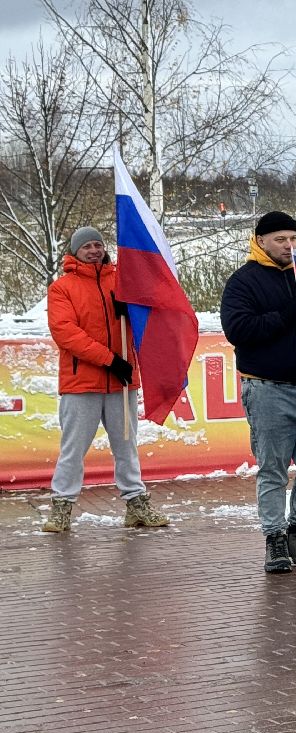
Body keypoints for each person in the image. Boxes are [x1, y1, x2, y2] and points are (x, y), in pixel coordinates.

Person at [220, 210, 296, 574]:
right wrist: (288, 314)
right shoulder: (244, 281)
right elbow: (239, 329)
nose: (289, 246)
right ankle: (275, 537)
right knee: (273, 468)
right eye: (281, 239)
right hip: (267, 388)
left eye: (294, 239)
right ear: (261, 240)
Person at [41, 226, 170, 532]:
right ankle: (61, 506)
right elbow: (66, 333)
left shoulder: (123, 282)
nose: (94, 250)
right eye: (87, 246)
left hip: (122, 382)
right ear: (75, 252)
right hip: (82, 383)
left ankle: (136, 504)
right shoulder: (62, 288)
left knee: (127, 446)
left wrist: (134, 310)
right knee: (73, 448)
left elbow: (150, 316)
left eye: (98, 244)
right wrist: (109, 360)